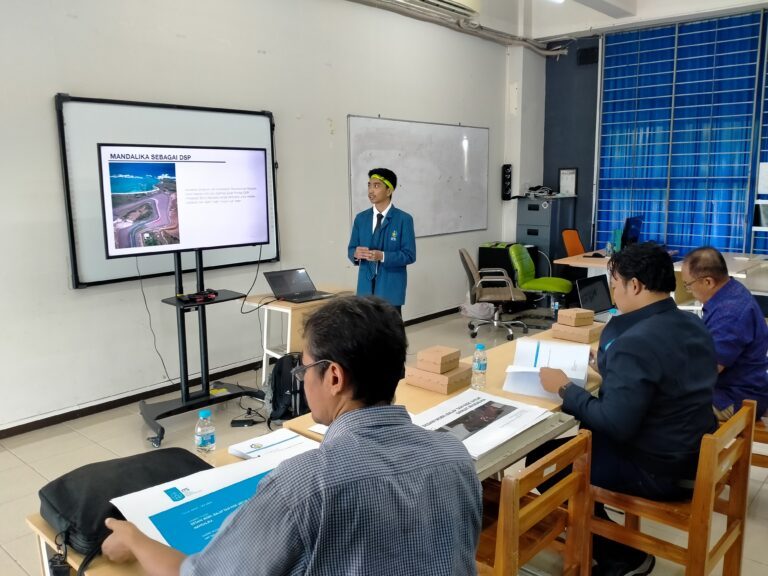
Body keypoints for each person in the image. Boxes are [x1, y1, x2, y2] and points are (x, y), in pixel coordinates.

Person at [102, 296, 482, 576]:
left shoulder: (304, 485)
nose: (301, 382)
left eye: (303, 370)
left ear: (334, 377)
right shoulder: (454, 454)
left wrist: (134, 538)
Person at [534, 243, 718, 576]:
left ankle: (622, 556)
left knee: (544, 461)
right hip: (694, 454)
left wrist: (564, 388)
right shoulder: (692, 322)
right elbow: (663, 376)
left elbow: (614, 424)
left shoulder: (634, 341)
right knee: (574, 447)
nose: (613, 292)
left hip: (659, 471)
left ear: (635, 285)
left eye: (615, 283)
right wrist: (612, 368)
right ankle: (599, 529)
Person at [681, 246, 768, 420]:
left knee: (663, 408)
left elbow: (706, 371)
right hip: (742, 388)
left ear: (708, 282)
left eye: (688, 285)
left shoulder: (730, 313)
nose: (689, 290)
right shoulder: (731, 290)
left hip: (733, 398)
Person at [348, 168, 416, 315]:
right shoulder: (361, 219)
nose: (371, 190)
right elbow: (351, 249)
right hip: (365, 288)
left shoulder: (404, 219)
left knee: (391, 328)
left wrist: (383, 256)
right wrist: (355, 254)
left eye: (376, 185)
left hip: (390, 288)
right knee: (366, 327)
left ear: (389, 191)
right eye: (369, 185)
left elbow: (409, 255)